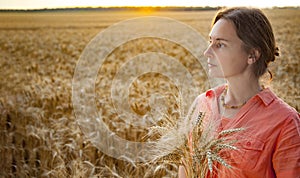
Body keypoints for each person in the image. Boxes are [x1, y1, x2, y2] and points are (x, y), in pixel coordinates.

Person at [178, 7, 300, 178]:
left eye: (220, 45)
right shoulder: (202, 104)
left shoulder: (285, 122)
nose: (207, 52)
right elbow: (186, 166)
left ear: (252, 55)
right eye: (210, 42)